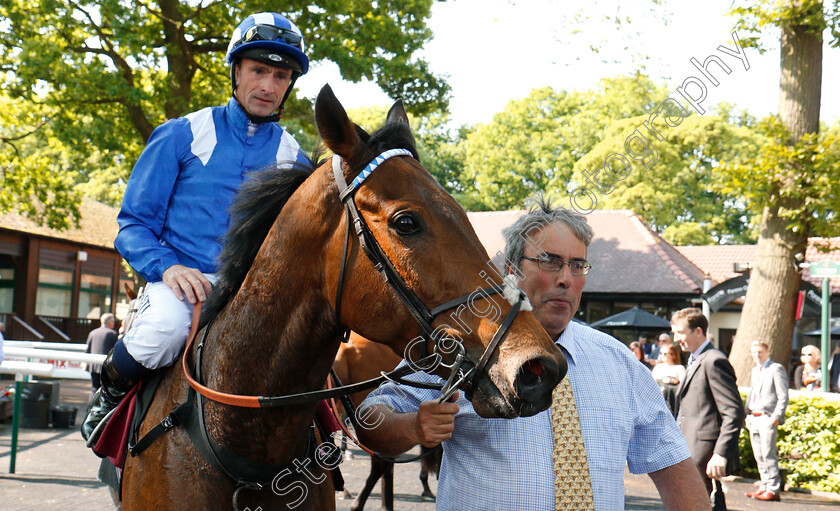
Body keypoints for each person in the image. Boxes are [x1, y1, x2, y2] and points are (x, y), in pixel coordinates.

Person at [357, 195, 709, 510]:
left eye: (577, 265)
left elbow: (672, 463)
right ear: (511, 270)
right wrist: (412, 426)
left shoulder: (619, 363)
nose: (566, 279)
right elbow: (370, 420)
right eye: (550, 261)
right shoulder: (463, 346)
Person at [81, 11, 310, 441]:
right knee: (161, 334)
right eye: (258, 70)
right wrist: (168, 268)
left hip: (252, 294)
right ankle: (109, 394)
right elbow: (131, 225)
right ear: (236, 71)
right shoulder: (180, 133)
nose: (268, 85)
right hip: (179, 286)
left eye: (280, 76)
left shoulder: (295, 159)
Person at [671, 307, 745, 508]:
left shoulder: (713, 360)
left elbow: (733, 411)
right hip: (689, 449)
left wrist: (720, 453)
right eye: (674, 333)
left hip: (704, 454)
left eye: (680, 332)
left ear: (698, 331)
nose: (676, 338)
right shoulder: (696, 360)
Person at [745, 340, 789, 502]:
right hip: (754, 416)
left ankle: (773, 488)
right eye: (754, 352)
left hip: (767, 417)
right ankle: (764, 485)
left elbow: (783, 395)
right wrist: (748, 414)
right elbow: (753, 393)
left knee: (768, 454)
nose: (757, 355)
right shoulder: (755, 370)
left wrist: (776, 417)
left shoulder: (775, 369)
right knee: (759, 455)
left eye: (760, 352)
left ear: (767, 352)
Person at [84, 313, 119, 392]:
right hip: (106, 367)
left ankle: (91, 404)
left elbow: (87, 350)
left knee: (94, 389)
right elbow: (116, 350)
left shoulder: (92, 333)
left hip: (93, 366)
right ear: (110, 323)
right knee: (105, 390)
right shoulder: (112, 334)